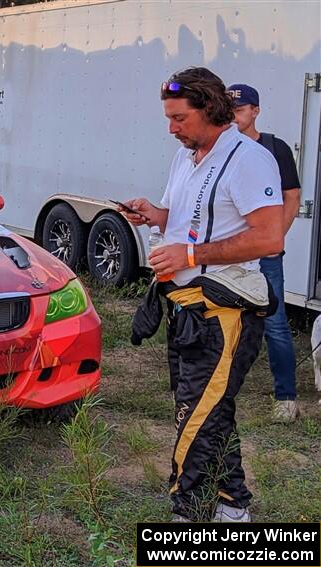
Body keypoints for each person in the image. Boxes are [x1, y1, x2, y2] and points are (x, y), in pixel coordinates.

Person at [120, 67, 283, 522]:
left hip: (225, 311)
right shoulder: (186, 156)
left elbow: (270, 237)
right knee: (210, 409)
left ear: (210, 110)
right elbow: (181, 215)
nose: (171, 128)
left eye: (179, 118)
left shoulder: (249, 160)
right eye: (168, 118)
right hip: (184, 306)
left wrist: (190, 254)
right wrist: (153, 214)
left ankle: (187, 515)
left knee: (197, 415)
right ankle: (234, 507)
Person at [228, 83, 301, 423]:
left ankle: (286, 397)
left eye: (239, 110)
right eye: (228, 111)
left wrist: (273, 238)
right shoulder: (223, 150)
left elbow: (292, 197)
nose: (233, 117)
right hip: (228, 255)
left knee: (275, 324)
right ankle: (218, 388)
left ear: (255, 111)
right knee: (225, 321)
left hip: (266, 255)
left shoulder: (275, 149)